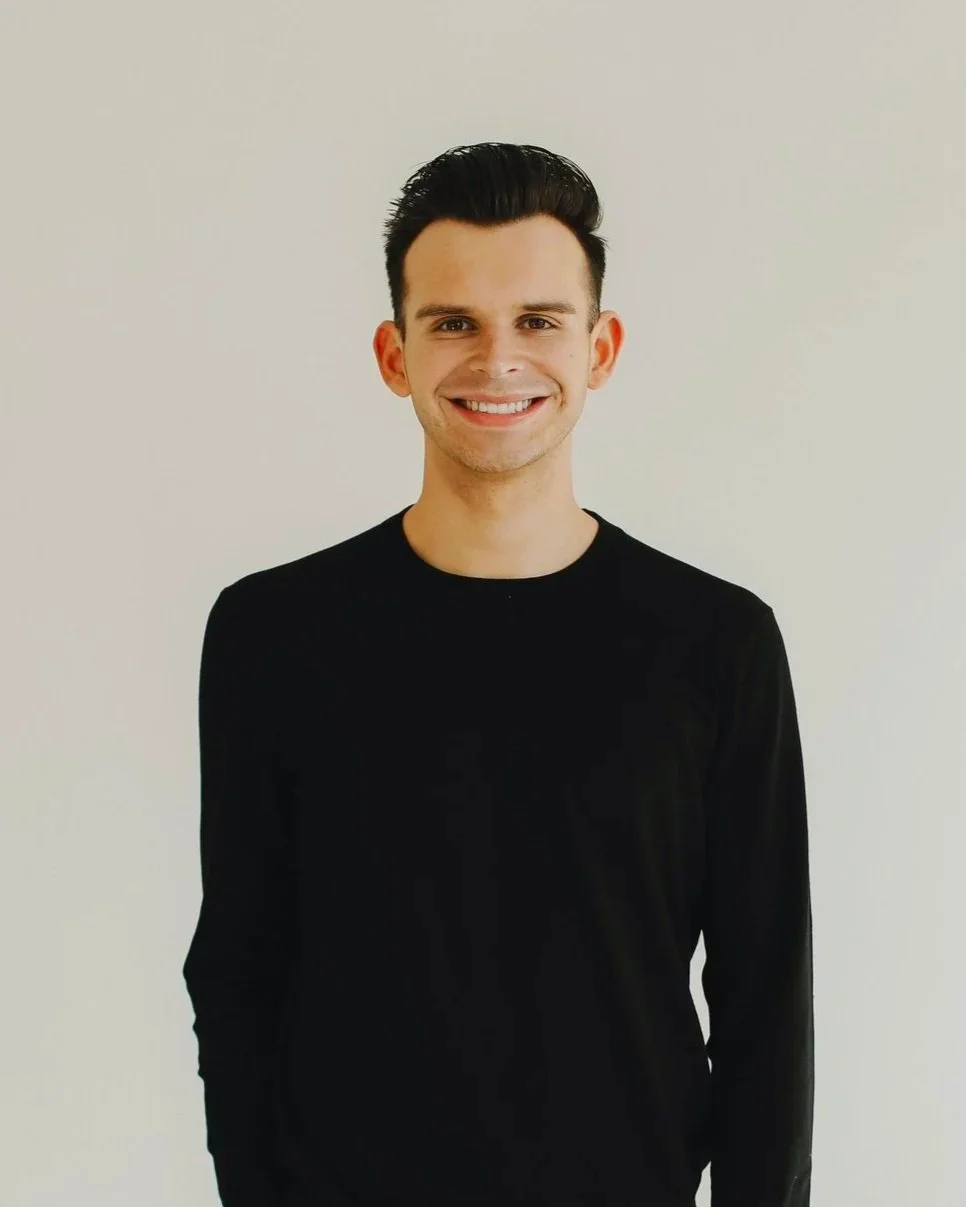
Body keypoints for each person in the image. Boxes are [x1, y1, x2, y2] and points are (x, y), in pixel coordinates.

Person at [182, 142, 814, 1207]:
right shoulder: (273, 635)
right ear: (395, 355)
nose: (497, 359)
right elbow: (240, 969)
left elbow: (766, 1002)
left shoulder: (717, 644)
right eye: (454, 323)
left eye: (538, 320)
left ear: (600, 347)